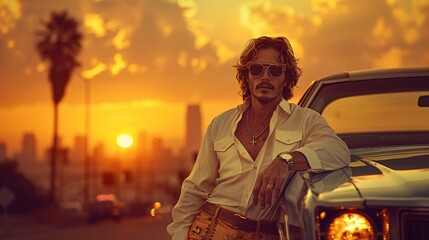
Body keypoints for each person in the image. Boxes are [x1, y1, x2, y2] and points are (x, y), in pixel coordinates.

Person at [167, 36, 350, 240]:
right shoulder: (220, 124)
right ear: (246, 76)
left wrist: (286, 161)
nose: (265, 76)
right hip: (210, 229)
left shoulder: (304, 120)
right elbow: (196, 188)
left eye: (274, 70)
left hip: (264, 233)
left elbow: (338, 150)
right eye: (257, 69)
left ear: (286, 78)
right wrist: (180, 235)